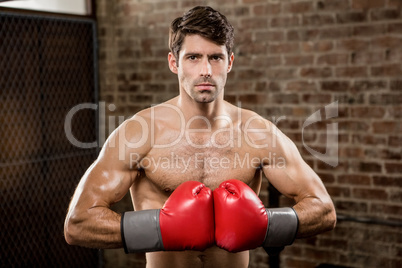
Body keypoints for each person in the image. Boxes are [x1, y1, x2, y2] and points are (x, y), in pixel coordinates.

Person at [64, 6, 336, 268]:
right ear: (174, 63)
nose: (205, 70)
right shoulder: (138, 133)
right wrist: (162, 228)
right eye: (193, 57)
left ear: (229, 62)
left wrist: (266, 226)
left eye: (215, 57)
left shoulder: (258, 133)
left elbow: (324, 210)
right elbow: (79, 223)